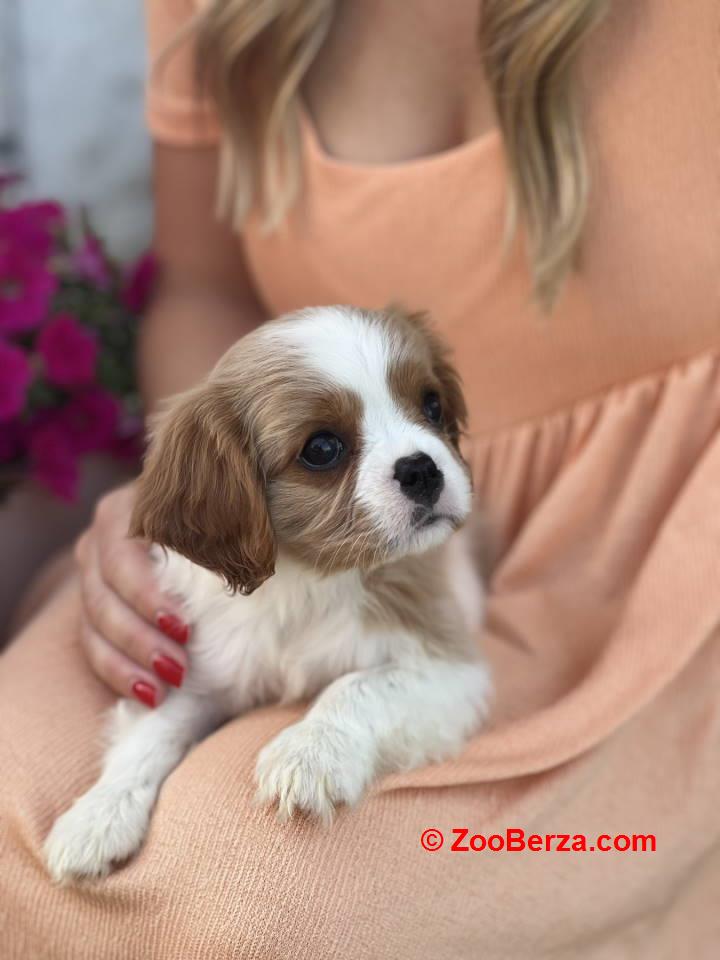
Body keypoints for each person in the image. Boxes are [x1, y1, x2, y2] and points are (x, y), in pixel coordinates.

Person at [1, 0, 719, 956]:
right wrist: (171, 512)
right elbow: (203, 282)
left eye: (427, 412)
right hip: (260, 555)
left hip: (661, 550)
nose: (418, 453)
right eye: (329, 451)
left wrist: (341, 722)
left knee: (256, 902)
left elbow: (431, 671)